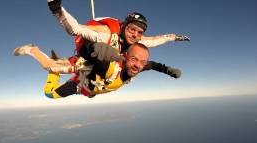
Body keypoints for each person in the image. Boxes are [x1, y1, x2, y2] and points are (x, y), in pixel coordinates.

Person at [47, 0, 190, 78]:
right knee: (97, 52)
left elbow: (156, 40)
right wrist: (57, 9)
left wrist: (175, 38)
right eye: (132, 29)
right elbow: (75, 29)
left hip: (114, 64)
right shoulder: (107, 34)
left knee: (138, 61)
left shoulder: (138, 40)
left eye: (139, 32)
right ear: (124, 27)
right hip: (90, 59)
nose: (135, 35)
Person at [15, 42, 149, 99]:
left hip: (81, 86)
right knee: (48, 66)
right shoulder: (116, 67)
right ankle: (32, 49)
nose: (136, 66)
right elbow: (100, 62)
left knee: (49, 93)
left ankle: (55, 69)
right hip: (82, 69)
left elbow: (152, 65)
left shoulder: (128, 74)